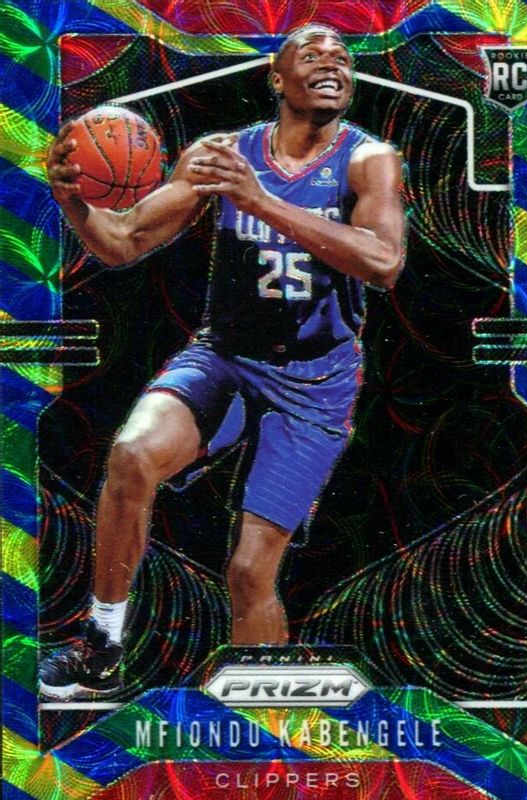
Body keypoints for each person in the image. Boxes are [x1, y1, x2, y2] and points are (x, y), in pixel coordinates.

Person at [39, 24, 405, 699]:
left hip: (313, 381)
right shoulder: (222, 154)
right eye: (312, 55)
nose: (332, 63)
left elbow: (383, 262)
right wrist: (73, 200)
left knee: (248, 573)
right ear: (276, 78)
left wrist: (260, 201)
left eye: (342, 57)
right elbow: (123, 241)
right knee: (131, 454)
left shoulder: (368, 160)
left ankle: (262, 712)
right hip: (225, 357)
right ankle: (101, 642)